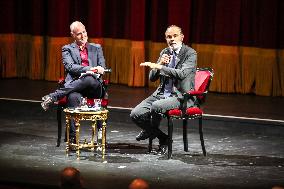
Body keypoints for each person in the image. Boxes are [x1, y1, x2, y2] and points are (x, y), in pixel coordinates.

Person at [130, 25, 197, 155]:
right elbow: (152, 78)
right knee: (135, 114)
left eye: (175, 36)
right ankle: (163, 138)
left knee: (156, 106)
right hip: (161, 93)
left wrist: (160, 67)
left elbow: (182, 74)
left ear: (182, 37)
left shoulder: (190, 53)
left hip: (181, 96)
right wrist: (159, 64)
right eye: (169, 37)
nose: (172, 39)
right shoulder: (165, 52)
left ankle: (150, 130)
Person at [41, 21, 106, 142]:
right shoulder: (67, 49)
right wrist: (90, 69)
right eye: (79, 33)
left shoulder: (96, 48)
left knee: (89, 78)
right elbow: (70, 67)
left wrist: (96, 70)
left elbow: (102, 66)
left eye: (84, 32)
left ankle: (53, 96)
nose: (83, 35)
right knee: (72, 97)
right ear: (73, 35)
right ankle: (72, 137)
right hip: (76, 87)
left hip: (94, 87)